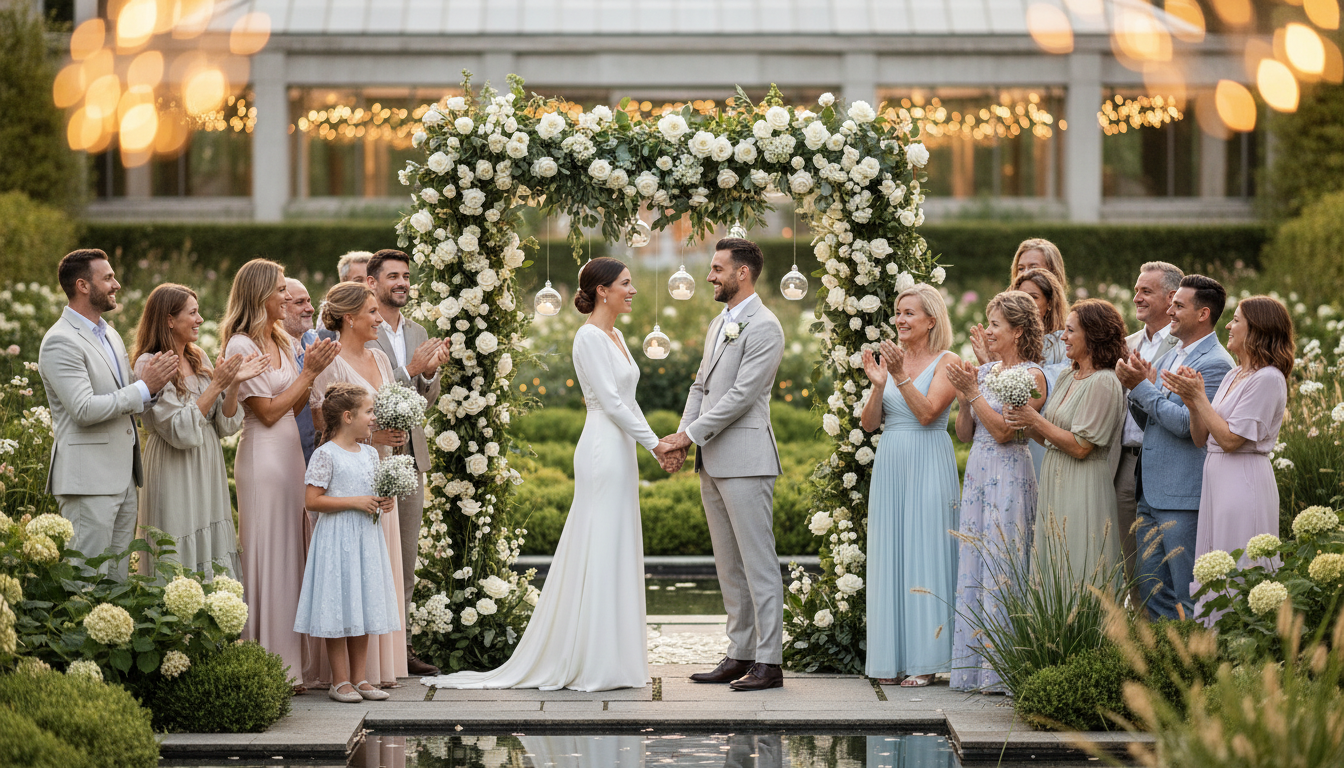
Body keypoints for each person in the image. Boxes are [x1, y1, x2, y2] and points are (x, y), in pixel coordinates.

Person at [423, 257, 670, 692]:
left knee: (617, 542)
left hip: (623, 449)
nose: (632, 290)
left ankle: (615, 656)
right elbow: (611, 404)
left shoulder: (617, 336)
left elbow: (629, 401)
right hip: (601, 447)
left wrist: (653, 447)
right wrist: (656, 444)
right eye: (625, 284)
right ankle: (591, 658)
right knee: (598, 541)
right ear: (602, 290)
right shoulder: (589, 337)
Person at [659, 239, 787, 692]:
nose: (710, 276)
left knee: (759, 565)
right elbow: (701, 385)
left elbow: (740, 397)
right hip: (711, 460)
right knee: (729, 566)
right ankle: (740, 653)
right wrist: (682, 436)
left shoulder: (766, 326)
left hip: (748, 460)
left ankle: (770, 662)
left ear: (743, 274)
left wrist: (688, 436)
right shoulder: (720, 323)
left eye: (717, 269)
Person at [223, 259, 338, 688]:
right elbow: (267, 412)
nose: (283, 298)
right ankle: (271, 659)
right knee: (271, 552)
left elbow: (291, 407)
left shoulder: (279, 338)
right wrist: (309, 372)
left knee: (295, 551)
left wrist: (314, 377)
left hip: (292, 452)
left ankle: (298, 663)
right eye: (277, 292)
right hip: (264, 457)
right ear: (258, 296)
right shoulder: (240, 346)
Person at [39, 249, 178, 580]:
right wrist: (144, 388)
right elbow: (84, 409)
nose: (116, 284)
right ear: (83, 285)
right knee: (86, 580)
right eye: (108, 278)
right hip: (88, 482)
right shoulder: (60, 341)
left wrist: (153, 389)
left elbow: (128, 398)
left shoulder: (110, 334)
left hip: (123, 479)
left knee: (116, 583)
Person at [308, 281, 412, 688]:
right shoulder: (329, 362)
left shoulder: (380, 359)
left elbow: (380, 411)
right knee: (348, 577)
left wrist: (391, 433)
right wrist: (374, 437)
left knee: (375, 574)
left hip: (379, 470)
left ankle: (375, 671)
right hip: (348, 475)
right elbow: (323, 424)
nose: (377, 318)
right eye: (371, 312)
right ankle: (343, 678)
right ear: (349, 317)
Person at [1164, 296, 1292, 626]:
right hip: (1217, 481)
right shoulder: (1234, 374)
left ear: (1258, 330)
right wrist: (1194, 403)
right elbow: (1200, 437)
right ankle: (1215, 643)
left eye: (1236, 320)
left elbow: (1233, 440)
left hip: (1243, 481)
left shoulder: (1268, 378)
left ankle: (1243, 641)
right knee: (1215, 565)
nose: (1229, 326)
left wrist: (1199, 398)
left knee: (1239, 564)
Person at [859, 283, 960, 688]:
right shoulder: (890, 361)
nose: (900, 320)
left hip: (928, 459)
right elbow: (869, 424)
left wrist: (900, 376)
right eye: (898, 313)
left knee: (925, 550)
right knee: (892, 553)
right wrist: (879, 384)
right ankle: (890, 658)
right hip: (891, 459)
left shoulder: (947, 361)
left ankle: (926, 660)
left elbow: (928, 413)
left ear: (931, 320)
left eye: (909, 313)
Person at [945, 291, 1047, 693]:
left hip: (1008, 471)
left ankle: (1004, 669)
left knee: (1005, 562)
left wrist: (972, 393)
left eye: (995, 325)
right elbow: (965, 434)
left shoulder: (1032, 375)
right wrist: (964, 397)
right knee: (975, 559)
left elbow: (1007, 432)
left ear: (1017, 331)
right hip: (978, 471)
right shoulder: (986, 373)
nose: (988, 331)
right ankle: (973, 669)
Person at [131, 283, 267, 579]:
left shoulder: (198, 357)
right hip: (173, 465)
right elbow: (179, 430)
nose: (200, 319)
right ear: (169, 319)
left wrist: (233, 385)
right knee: (176, 542)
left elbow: (225, 424)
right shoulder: (149, 363)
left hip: (207, 461)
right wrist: (217, 384)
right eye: (193, 313)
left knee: (210, 545)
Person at [1117, 274, 1233, 620]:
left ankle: (1193, 667)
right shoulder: (1172, 355)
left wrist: (1141, 388)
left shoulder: (1214, 363)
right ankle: (1163, 665)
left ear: (1203, 314)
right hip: (1150, 492)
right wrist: (1135, 391)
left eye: (1178, 305)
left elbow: (1187, 425)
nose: (1170, 310)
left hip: (1182, 494)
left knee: (1186, 592)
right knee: (1152, 588)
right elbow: (1152, 420)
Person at [363, 249, 451, 677]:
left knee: (406, 555)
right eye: (392, 276)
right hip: (369, 451)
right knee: (371, 550)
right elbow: (366, 393)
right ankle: (370, 647)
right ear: (372, 282)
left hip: (411, 454)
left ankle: (403, 645)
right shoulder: (363, 327)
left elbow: (423, 402)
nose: (401, 283)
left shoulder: (419, 330)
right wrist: (410, 368)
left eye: (405, 277)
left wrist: (430, 375)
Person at [1005, 299, 1128, 582]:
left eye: (1070, 331)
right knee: (1054, 566)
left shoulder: (1105, 381)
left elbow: (1081, 447)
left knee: (1079, 564)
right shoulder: (1066, 375)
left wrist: (1034, 420)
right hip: (1054, 478)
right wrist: (1021, 421)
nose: (1063, 337)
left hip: (1083, 483)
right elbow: (1051, 437)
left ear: (1093, 335)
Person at [295, 382, 402, 703]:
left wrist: (385, 502)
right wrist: (356, 501)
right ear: (346, 416)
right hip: (336, 541)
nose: (373, 418)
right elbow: (312, 501)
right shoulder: (325, 454)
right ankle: (339, 681)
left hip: (365, 540)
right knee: (338, 604)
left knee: (362, 602)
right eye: (368, 412)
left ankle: (361, 678)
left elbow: (373, 492)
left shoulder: (370, 453)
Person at [1113, 262, 1182, 599]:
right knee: (1132, 563)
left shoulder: (1183, 346)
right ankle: (1139, 643)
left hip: (1166, 462)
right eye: (1136, 289)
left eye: (1145, 291)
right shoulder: (1127, 346)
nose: (1136, 297)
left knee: (1169, 567)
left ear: (1172, 297)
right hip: (1126, 462)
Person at [1007, 267, 1071, 477]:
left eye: (1033, 297)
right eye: (1022, 297)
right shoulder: (1007, 343)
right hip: (1011, 439)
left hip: (1047, 436)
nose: (1027, 303)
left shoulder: (1064, 342)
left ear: (1050, 303)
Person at [283, 277, 319, 463]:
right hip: (286, 452)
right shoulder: (271, 348)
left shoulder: (316, 341)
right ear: (280, 307)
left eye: (309, 301)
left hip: (319, 449)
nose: (310, 309)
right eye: (300, 303)